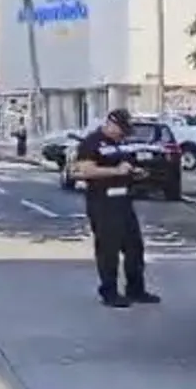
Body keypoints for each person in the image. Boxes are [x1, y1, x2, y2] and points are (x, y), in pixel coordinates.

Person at [72, 109, 160, 308]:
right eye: (121, 129)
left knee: (134, 247)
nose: (123, 134)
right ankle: (109, 292)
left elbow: (128, 165)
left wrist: (136, 172)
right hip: (103, 202)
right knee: (108, 250)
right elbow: (82, 171)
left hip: (124, 201)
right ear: (110, 123)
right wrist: (115, 171)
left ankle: (136, 289)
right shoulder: (92, 142)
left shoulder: (121, 144)